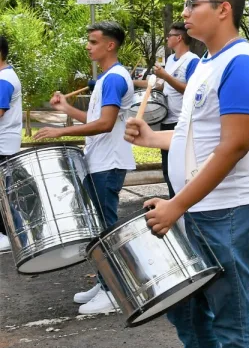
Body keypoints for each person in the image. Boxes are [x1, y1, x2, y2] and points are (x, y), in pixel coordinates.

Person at [124, 0, 249, 348]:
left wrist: (177, 204)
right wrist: (152, 137)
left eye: (193, 4)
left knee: (231, 321)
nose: (185, 12)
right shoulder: (208, 62)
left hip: (229, 210)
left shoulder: (241, 64)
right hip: (197, 208)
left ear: (223, 9)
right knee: (187, 314)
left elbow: (234, 145)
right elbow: (195, 137)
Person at [36, 21, 136, 315]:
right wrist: (67, 110)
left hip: (109, 163)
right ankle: (106, 282)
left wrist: (60, 132)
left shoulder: (114, 78)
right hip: (100, 161)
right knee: (99, 227)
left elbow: (105, 124)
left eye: (93, 42)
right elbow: (96, 118)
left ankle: (115, 291)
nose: (88, 46)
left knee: (106, 228)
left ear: (110, 45)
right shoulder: (107, 78)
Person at [135, 22, 200, 198]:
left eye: (170, 35)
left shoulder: (192, 61)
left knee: (181, 168)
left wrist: (166, 76)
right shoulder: (170, 60)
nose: (167, 38)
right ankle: (174, 202)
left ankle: (183, 204)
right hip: (166, 118)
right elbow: (163, 86)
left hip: (181, 121)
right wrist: (134, 83)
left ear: (179, 38)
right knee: (168, 168)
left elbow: (190, 90)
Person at [0, 35, 22, 253]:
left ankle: (7, 236)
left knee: (3, 193)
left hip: (2, 145)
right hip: (5, 144)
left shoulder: (4, 80)